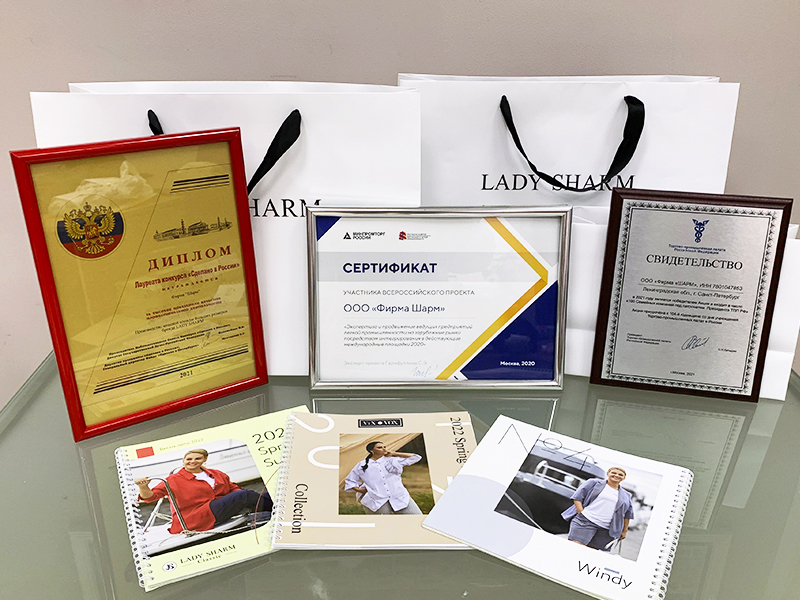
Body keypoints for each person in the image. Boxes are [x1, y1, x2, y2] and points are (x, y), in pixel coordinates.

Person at [134, 448, 272, 534]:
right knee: (245, 495)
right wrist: (143, 487)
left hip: (218, 509)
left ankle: (276, 506)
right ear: (183, 461)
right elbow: (150, 497)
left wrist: (237, 498)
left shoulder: (216, 473)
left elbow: (233, 488)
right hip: (196, 517)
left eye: (198, 458)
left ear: (204, 459)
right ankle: (277, 509)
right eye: (188, 459)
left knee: (268, 493)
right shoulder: (173, 480)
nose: (192, 461)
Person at [561, 467, 634, 551]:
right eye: (613, 473)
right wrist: (581, 512)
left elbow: (628, 514)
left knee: (590, 552)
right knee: (575, 547)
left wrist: (624, 531)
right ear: (608, 473)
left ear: (624, 478)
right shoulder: (593, 482)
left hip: (606, 529)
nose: (617, 475)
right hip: (586, 521)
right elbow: (577, 497)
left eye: (620, 474)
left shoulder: (626, 495)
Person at [344, 441, 423, 515]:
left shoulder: (393, 460)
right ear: (372, 451)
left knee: (417, 518)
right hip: (376, 500)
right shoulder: (362, 465)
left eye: (384, 447)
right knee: (380, 523)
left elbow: (416, 457)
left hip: (400, 497)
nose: (384, 449)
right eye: (380, 447)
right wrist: (360, 490)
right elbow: (350, 480)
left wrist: (393, 453)